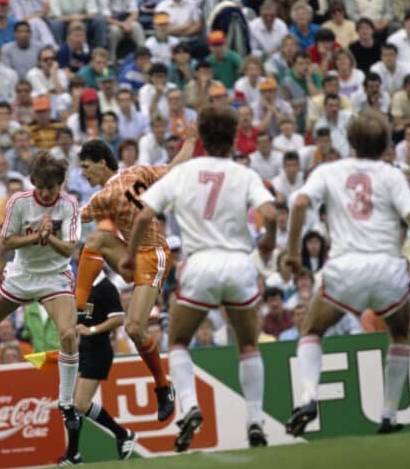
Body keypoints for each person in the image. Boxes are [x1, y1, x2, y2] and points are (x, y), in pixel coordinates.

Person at [284, 111, 410, 437]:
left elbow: (300, 203)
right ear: (386, 144)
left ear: (351, 142)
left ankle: (308, 397)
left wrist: (291, 252)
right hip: (388, 269)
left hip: (345, 268)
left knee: (312, 329)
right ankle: (387, 415)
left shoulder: (328, 170)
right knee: (399, 336)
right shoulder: (391, 175)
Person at [121, 107, 276, 450]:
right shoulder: (243, 173)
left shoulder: (184, 173)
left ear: (202, 138)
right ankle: (255, 422)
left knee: (178, 342)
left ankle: (189, 405)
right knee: (248, 345)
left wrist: (131, 255)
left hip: (201, 264)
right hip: (238, 263)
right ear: (234, 139)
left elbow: (145, 214)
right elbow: (269, 212)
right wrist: (271, 241)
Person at [73, 126, 196, 423]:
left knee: (135, 328)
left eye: (86, 168)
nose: (84, 175)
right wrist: (191, 140)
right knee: (96, 241)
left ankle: (163, 387)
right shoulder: (139, 172)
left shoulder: (106, 196)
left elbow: (73, 217)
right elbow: (175, 166)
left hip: (153, 255)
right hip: (134, 256)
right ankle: (79, 308)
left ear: (102, 162)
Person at [0, 152, 83, 432]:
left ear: (61, 185)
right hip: (22, 275)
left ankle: (66, 403)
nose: (47, 193)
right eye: (42, 187)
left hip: (55, 276)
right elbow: (6, 242)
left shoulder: (70, 205)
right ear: (34, 183)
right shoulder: (19, 202)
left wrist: (49, 237)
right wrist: (38, 234)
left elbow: (70, 249)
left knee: (68, 335)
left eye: (52, 187)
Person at [59, 270, 133, 465]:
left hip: (99, 351)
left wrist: (91, 330)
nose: (79, 264)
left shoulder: (106, 287)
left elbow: (118, 319)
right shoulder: (82, 287)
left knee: (81, 404)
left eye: (84, 260)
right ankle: (73, 454)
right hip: (83, 350)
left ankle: (123, 434)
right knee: (73, 404)